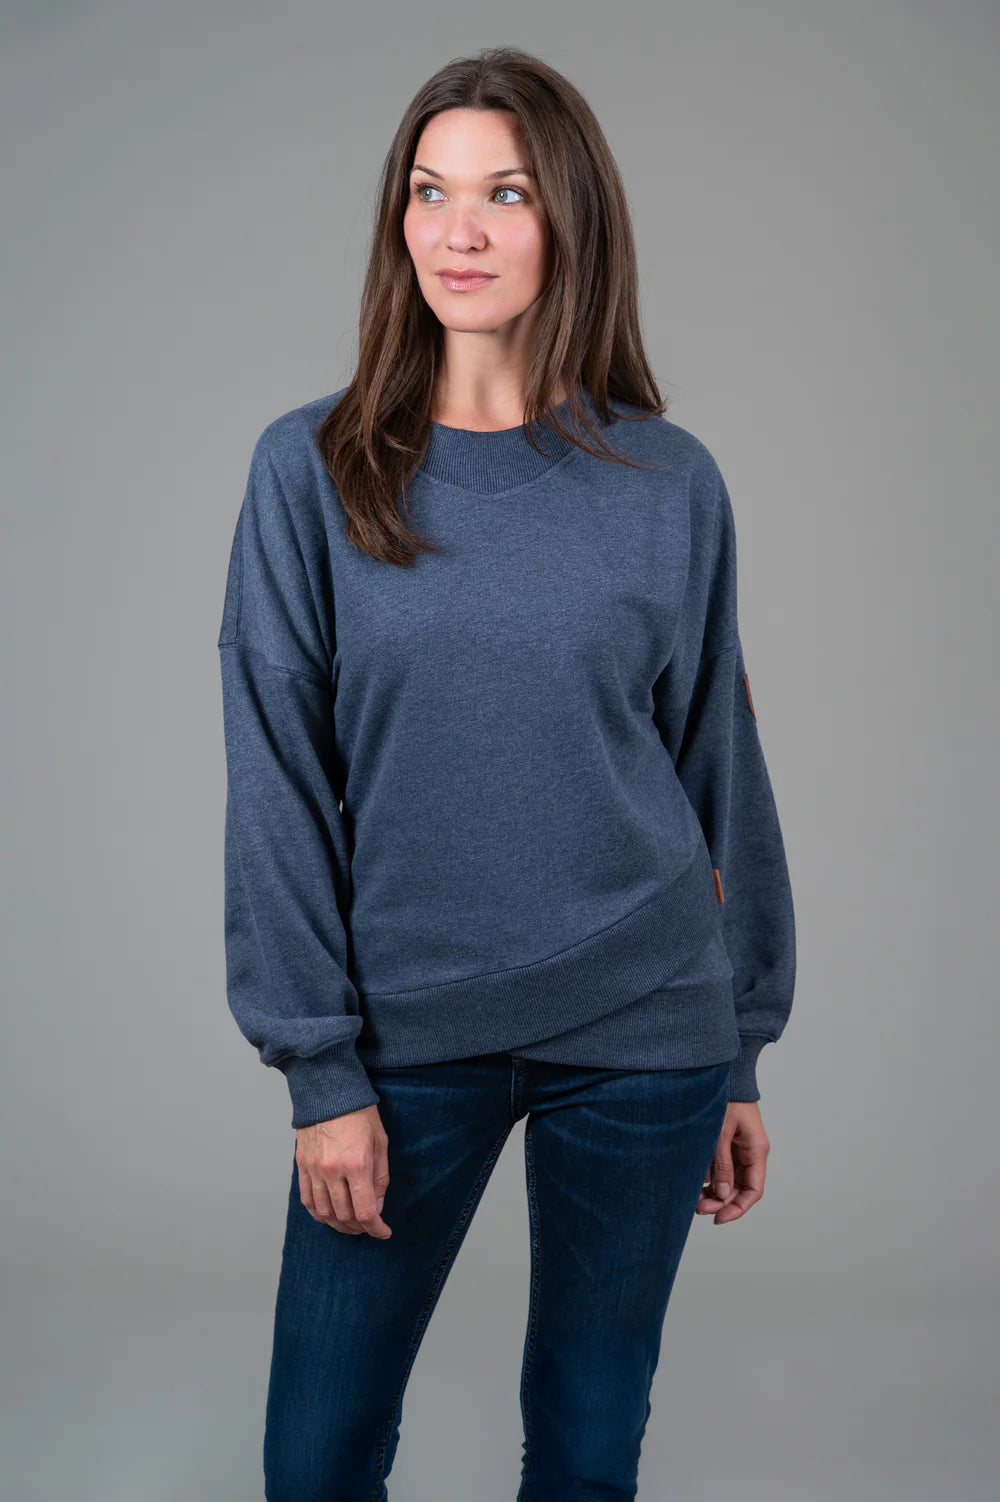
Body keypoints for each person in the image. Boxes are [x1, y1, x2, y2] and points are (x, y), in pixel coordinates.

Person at [216, 45, 796, 1502]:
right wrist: (321, 1069)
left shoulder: (669, 482)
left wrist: (739, 1044)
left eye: (506, 194)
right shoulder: (310, 472)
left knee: (588, 1457)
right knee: (317, 1461)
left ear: (570, 221)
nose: (459, 231)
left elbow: (717, 765)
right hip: (403, 1034)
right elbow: (278, 780)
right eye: (430, 192)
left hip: (647, 1021)